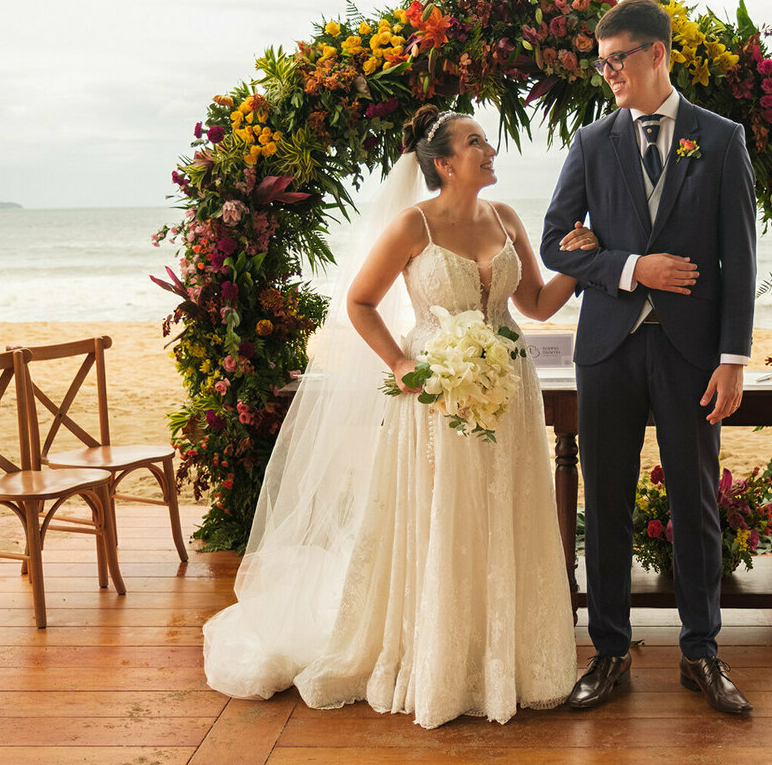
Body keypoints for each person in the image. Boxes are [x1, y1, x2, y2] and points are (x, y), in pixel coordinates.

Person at [203, 105, 597, 729]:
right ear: (444, 163)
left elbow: (538, 304)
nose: (490, 150)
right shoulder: (412, 226)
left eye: (487, 141)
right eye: (475, 143)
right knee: (446, 512)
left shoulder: (508, 218)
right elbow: (361, 303)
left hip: (510, 391)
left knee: (507, 509)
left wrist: (581, 262)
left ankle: (510, 659)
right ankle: (439, 659)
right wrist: (399, 366)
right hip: (437, 393)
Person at [540, 0, 758, 715]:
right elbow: (553, 244)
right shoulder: (590, 142)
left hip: (693, 353)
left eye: (617, 60)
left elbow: (739, 258)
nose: (607, 74)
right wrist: (634, 267)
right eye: (600, 64)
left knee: (694, 502)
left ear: (656, 54)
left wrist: (733, 357)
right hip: (606, 348)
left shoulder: (721, 141)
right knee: (604, 501)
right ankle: (609, 653)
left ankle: (702, 653)